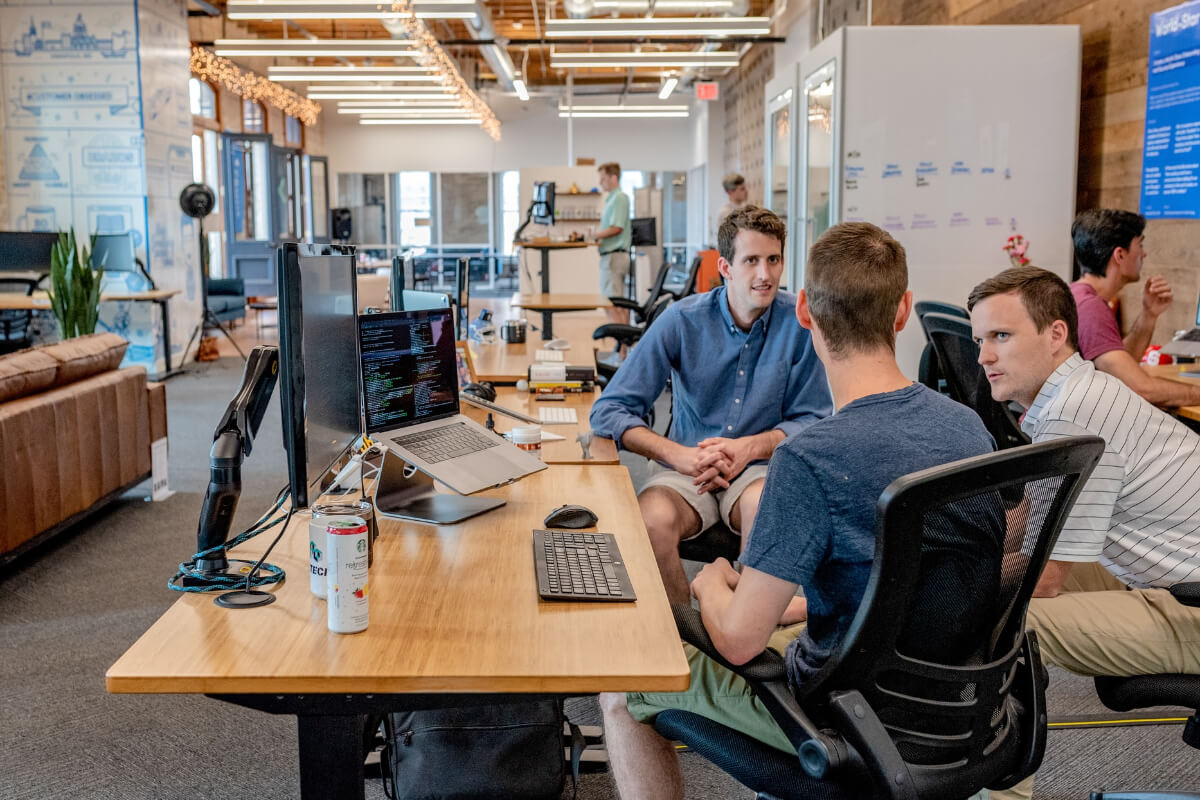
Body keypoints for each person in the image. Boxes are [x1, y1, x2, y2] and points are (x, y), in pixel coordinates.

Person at [599, 222, 997, 800]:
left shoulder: (809, 460)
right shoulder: (968, 425)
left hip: (841, 717)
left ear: (805, 309)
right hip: (956, 706)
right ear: (904, 311)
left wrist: (712, 584)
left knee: (618, 686)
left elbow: (737, 642)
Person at [968, 265, 1200, 798]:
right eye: (980, 340)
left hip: (1189, 606)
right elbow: (1031, 522)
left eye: (1000, 336)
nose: (983, 357)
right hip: (1162, 582)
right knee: (989, 591)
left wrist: (949, 590)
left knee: (1010, 626)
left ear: (1055, 335)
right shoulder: (1069, 396)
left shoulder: (1075, 411)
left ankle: (999, 793)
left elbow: (1045, 577)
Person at [590, 206, 831, 606]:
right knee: (650, 521)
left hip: (759, 469)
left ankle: (743, 633)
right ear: (725, 266)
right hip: (686, 467)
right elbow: (609, 409)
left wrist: (749, 448)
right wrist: (677, 455)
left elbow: (816, 419)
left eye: (773, 260)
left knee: (765, 511)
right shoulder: (681, 321)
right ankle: (686, 635)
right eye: (751, 260)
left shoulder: (800, 323)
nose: (765, 275)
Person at [1069, 208, 1200, 406]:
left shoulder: (1078, 295)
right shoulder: (1090, 308)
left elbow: (1120, 368)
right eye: (1140, 244)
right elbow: (1140, 388)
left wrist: (1149, 315)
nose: (1144, 253)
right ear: (1120, 255)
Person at [594, 162, 632, 325]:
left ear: (613, 177)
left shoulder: (619, 198)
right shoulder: (612, 199)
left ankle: (622, 348)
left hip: (614, 257)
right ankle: (623, 347)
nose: (600, 182)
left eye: (603, 178)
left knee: (613, 304)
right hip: (611, 256)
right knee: (616, 303)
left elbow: (617, 228)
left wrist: (596, 235)